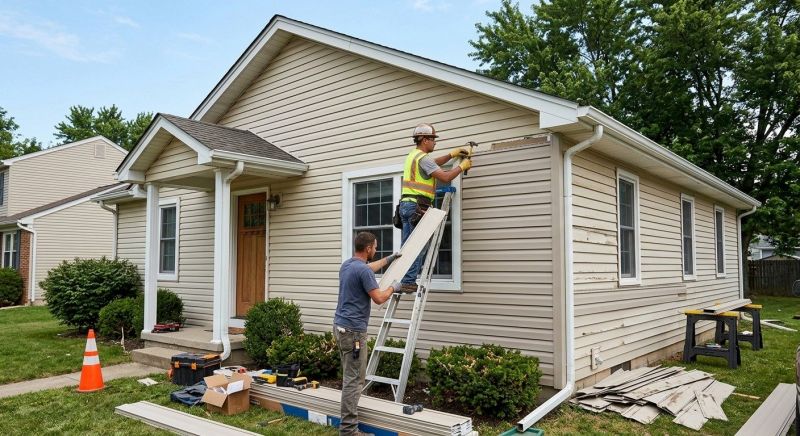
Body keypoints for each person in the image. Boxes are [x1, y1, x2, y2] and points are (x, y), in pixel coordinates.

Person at [333, 231, 402, 436]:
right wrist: (393, 287)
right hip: (353, 333)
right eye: (375, 246)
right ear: (368, 248)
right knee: (354, 381)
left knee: (350, 378)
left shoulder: (348, 265)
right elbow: (379, 298)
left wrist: (389, 260)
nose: (377, 249)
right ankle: (348, 430)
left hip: (341, 327)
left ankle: (348, 426)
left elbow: (368, 269)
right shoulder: (363, 271)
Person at [398, 123, 473, 292]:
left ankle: (404, 279)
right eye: (432, 139)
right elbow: (445, 177)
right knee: (419, 245)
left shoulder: (414, 156)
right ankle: (409, 281)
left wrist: (451, 155)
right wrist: (462, 166)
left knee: (407, 246)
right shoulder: (423, 158)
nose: (435, 143)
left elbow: (432, 164)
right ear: (424, 139)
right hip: (418, 206)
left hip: (406, 205)